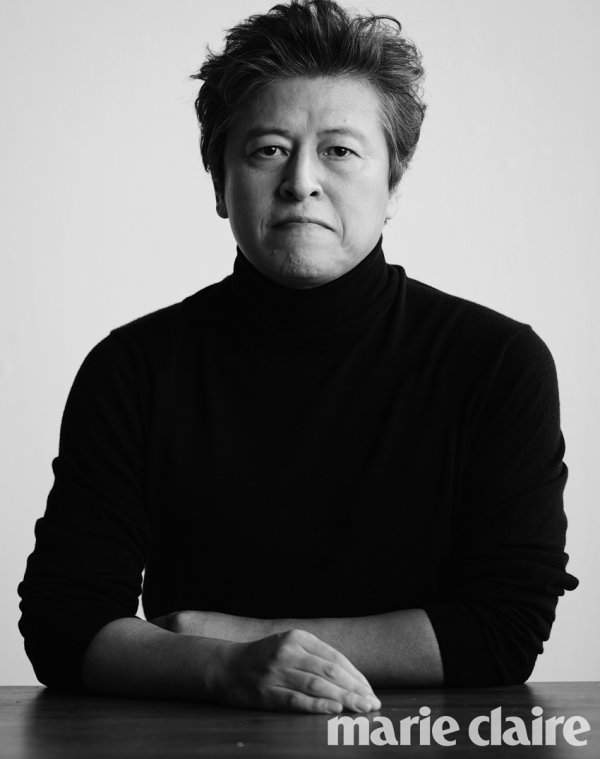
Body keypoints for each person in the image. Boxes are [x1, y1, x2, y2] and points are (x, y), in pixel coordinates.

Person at [18, 0, 578, 715]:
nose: (301, 181)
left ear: (394, 183)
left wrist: (221, 635)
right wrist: (221, 668)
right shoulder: (132, 369)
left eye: (339, 150)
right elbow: (63, 623)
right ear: (219, 183)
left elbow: (503, 630)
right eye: (268, 149)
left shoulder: (496, 364)